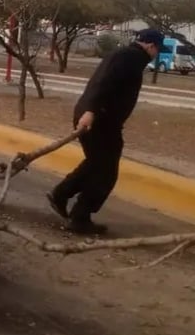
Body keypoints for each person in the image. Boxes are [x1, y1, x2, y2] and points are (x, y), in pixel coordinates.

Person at [46, 28, 165, 235]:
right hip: (98, 119)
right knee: (106, 172)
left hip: (100, 118)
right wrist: (91, 111)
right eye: (158, 50)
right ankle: (79, 217)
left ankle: (61, 195)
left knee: (96, 164)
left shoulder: (127, 56)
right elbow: (104, 83)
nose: (157, 54)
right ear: (150, 45)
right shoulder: (130, 57)